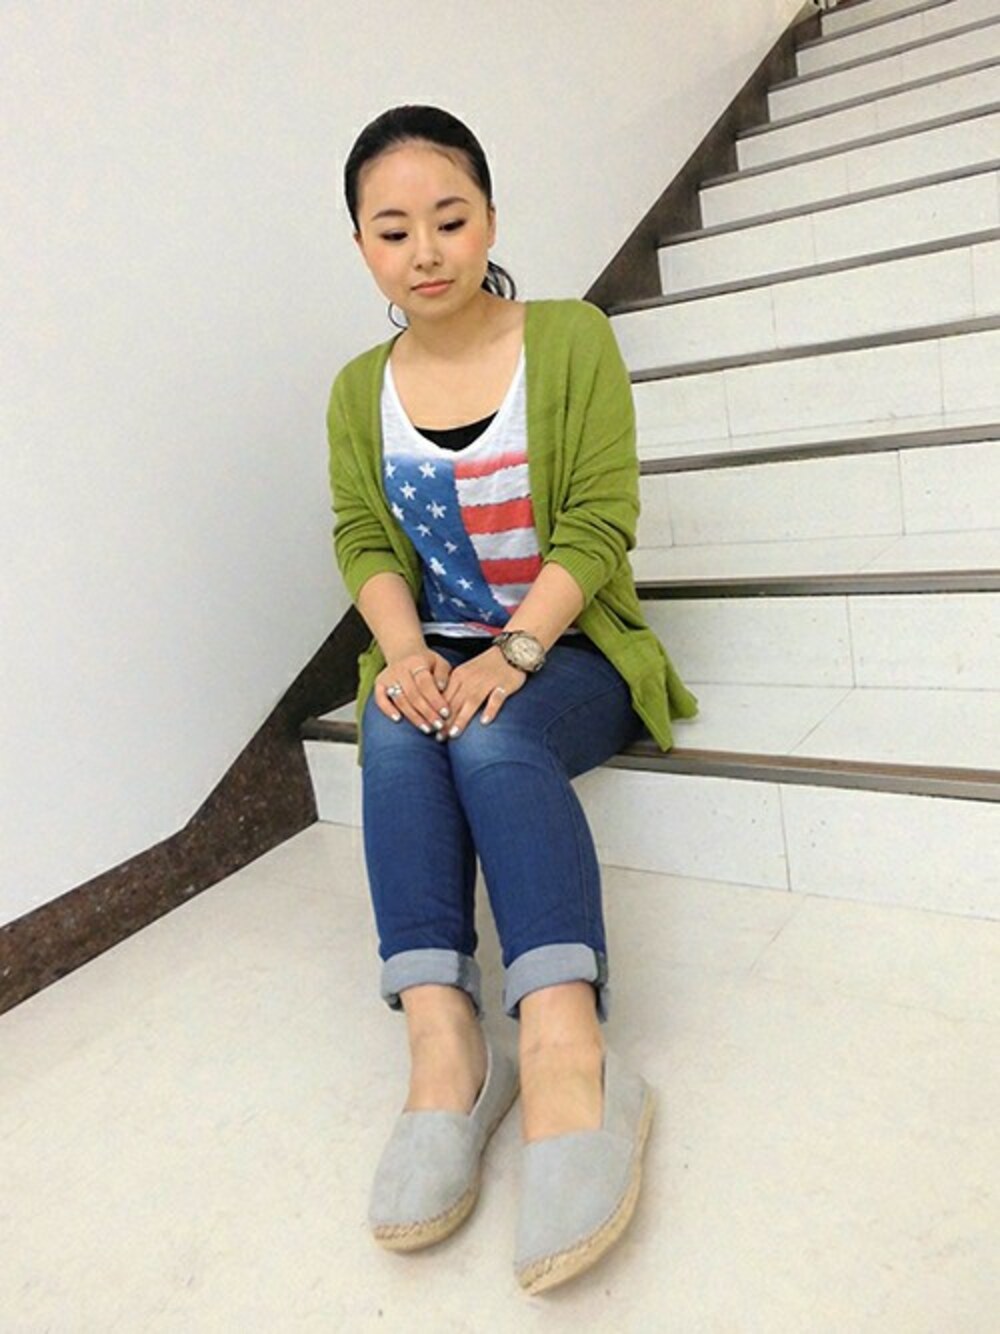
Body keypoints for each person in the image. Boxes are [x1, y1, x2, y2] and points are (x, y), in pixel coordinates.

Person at [326, 105, 697, 1295]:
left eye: (449, 219)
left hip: (571, 642)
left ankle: (567, 1049)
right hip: (438, 646)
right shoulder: (357, 389)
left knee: (490, 743)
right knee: (396, 735)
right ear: (362, 246)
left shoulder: (571, 338)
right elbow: (361, 538)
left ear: (489, 218)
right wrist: (403, 656)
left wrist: (515, 652)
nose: (424, 251)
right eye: (393, 231)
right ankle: (445, 1048)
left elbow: (599, 519)